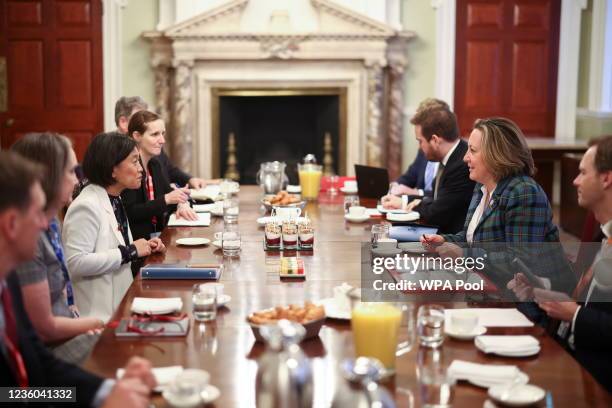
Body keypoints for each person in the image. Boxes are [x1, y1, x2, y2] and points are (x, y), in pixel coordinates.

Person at [0, 150, 155, 407]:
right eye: (39, 213)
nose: (46, 225)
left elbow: (40, 366)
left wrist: (107, 391)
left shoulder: (8, 283)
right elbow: (11, 394)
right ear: (12, 223)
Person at [420, 117, 576, 292]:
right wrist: (445, 240)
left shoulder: (524, 192)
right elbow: (471, 238)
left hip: (538, 298)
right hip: (489, 283)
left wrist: (464, 255)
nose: (465, 158)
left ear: (496, 154)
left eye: (472, 150)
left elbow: (520, 262)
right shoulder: (482, 185)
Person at [508, 135, 612, 391]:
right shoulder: (603, 234)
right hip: (571, 353)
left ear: (606, 178)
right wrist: (541, 293)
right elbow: (590, 302)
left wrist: (573, 314)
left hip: (597, 378)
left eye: (582, 173)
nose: (575, 180)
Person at [10, 133, 104, 364]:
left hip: (66, 332)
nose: (77, 180)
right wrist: (99, 324)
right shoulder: (28, 237)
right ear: (47, 176)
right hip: (48, 356)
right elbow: (44, 330)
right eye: (72, 172)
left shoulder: (51, 222)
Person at [63, 133, 165, 321]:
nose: (141, 169)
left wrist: (144, 247)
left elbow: (111, 248)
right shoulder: (86, 205)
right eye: (134, 162)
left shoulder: (115, 198)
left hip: (120, 304)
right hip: (96, 316)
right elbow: (75, 262)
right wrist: (130, 252)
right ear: (112, 169)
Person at [381, 102, 475, 234]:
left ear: (435, 140)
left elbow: (437, 213)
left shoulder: (461, 164)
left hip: (451, 243)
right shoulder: (450, 158)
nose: (420, 147)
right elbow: (436, 196)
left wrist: (411, 204)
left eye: (420, 141)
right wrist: (403, 201)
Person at [122, 110, 198, 241]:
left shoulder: (155, 164)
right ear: (137, 136)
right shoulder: (129, 168)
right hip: (138, 243)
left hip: (159, 238)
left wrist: (181, 204)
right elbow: (131, 212)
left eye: (162, 134)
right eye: (155, 134)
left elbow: (170, 195)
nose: (162, 140)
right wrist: (167, 199)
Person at [115, 96, 212, 189]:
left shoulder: (153, 148)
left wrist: (190, 179)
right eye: (139, 117)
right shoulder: (116, 153)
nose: (162, 140)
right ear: (123, 122)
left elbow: (169, 169)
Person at [389, 99, 448, 197]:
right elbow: (410, 176)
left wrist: (417, 192)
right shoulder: (423, 150)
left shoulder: (451, 155)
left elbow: (444, 196)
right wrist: (395, 186)